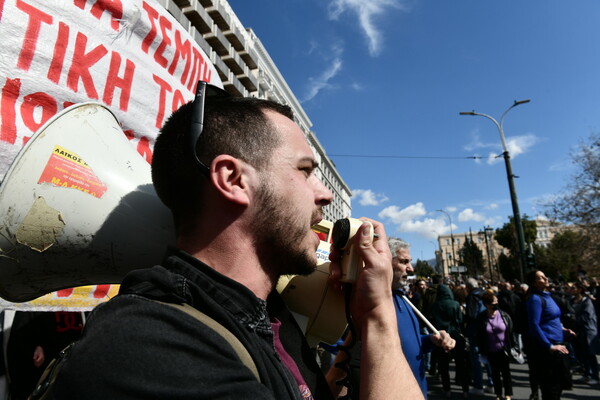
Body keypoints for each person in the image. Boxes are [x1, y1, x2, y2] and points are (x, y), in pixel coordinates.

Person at [51, 84, 424, 399]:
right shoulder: (152, 350)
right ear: (233, 179)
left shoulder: (269, 316)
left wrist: (367, 317)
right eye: (305, 171)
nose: (324, 194)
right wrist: (378, 320)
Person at [348, 238, 455, 399]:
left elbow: (410, 343)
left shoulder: (402, 298)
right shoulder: (363, 303)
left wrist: (430, 340)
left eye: (409, 262)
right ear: (384, 261)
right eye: (404, 262)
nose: (410, 268)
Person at [525, 269, 575, 400]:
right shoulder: (535, 299)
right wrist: (549, 346)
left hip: (559, 346)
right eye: (540, 277)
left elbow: (553, 319)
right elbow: (534, 325)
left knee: (559, 387)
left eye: (544, 276)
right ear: (534, 283)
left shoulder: (549, 297)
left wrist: (563, 330)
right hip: (547, 351)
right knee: (550, 390)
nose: (545, 278)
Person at [430, 284, 469, 398]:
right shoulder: (455, 304)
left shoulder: (435, 305)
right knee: (461, 363)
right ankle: (465, 389)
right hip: (455, 335)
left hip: (440, 336)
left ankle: (447, 389)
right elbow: (459, 320)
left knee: (443, 364)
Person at [476, 291, 515, 400]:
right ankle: (498, 394)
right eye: (494, 303)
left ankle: (508, 394)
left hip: (504, 349)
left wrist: (513, 345)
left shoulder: (504, 315)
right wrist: (481, 349)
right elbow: (479, 334)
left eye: (497, 302)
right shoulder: (481, 318)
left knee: (506, 373)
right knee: (495, 373)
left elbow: (510, 332)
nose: (496, 305)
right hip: (490, 350)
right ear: (487, 305)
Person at [570, 281, 600, 385]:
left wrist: (573, 319)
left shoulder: (587, 301)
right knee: (582, 354)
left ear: (579, 289)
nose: (571, 290)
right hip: (578, 332)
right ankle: (587, 374)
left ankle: (595, 376)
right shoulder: (572, 301)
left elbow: (587, 316)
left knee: (590, 355)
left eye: (573, 288)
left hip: (587, 331)